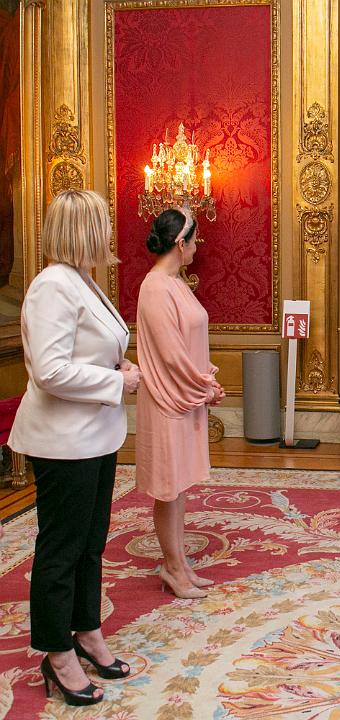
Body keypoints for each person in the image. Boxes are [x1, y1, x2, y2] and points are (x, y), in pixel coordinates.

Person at [8, 190, 141, 706]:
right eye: (104, 224)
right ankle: (54, 652)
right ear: (83, 229)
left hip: (94, 436)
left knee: (91, 542)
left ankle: (87, 632)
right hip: (62, 442)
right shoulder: (51, 287)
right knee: (61, 550)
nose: (110, 233)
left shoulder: (84, 281)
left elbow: (87, 354)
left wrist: (117, 369)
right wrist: (118, 383)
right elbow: (50, 370)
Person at [135, 207, 225, 600]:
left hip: (188, 393)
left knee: (179, 486)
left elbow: (186, 345)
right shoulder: (155, 286)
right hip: (168, 399)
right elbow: (171, 355)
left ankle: (181, 563)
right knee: (167, 488)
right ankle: (172, 568)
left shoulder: (176, 283)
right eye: (194, 239)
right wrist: (204, 385)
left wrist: (205, 381)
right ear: (179, 242)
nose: (197, 246)